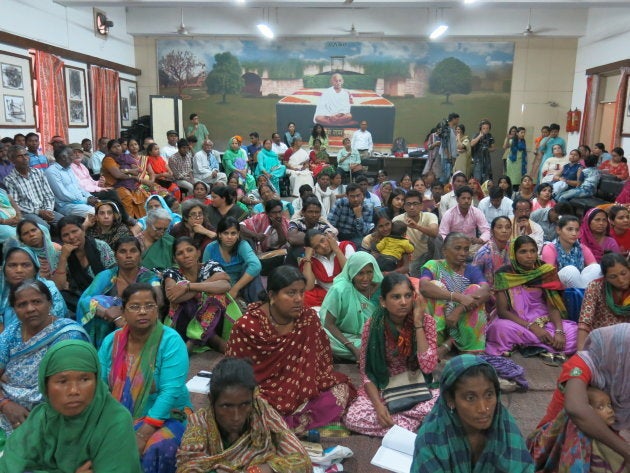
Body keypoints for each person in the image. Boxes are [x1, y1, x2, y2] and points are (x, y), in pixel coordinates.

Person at [226, 266, 355, 435]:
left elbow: (321, 362)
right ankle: (291, 426)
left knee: (340, 390)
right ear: (272, 295)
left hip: (302, 388)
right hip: (262, 391)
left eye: (301, 292)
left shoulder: (307, 319)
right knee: (247, 410)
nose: (299, 299)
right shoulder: (247, 327)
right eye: (291, 293)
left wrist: (303, 382)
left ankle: (283, 427)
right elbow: (233, 374)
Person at [0, 339, 141, 472]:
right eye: (62, 381)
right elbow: (8, 466)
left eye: (84, 379)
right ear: (46, 386)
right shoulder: (40, 420)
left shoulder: (114, 421)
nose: (74, 390)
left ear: (97, 382)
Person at [99, 283, 191, 473]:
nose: (143, 312)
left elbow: (171, 390)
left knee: (158, 447)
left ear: (157, 310)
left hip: (166, 417)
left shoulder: (170, 341)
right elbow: (99, 384)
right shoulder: (111, 342)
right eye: (135, 307)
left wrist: (143, 434)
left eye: (149, 306)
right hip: (118, 416)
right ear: (123, 311)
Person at [176, 357, 311, 473]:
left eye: (244, 405)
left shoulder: (262, 412)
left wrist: (267, 468)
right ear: (212, 400)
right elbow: (187, 467)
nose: (236, 416)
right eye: (227, 406)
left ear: (252, 399)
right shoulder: (200, 423)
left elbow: (301, 460)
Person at [344, 273, 439, 436]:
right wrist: (379, 407)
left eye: (408, 296)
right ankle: (412, 424)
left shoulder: (426, 322)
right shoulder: (372, 326)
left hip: (418, 386)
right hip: (384, 387)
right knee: (353, 418)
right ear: (383, 302)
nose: (403, 302)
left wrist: (417, 324)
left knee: (442, 403)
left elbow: (428, 366)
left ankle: (399, 425)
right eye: (396, 297)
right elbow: (366, 373)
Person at [528, 325, 630, 471]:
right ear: (618, 351)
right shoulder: (581, 364)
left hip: (600, 442)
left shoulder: (623, 375)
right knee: (580, 421)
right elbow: (575, 409)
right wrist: (626, 451)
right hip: (550, 444)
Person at [411, 355, 534, 472]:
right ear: (450, 399)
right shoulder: (431, 439)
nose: (483, 408)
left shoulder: (506, 429)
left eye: (489, 395)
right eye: (470, 398)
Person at [0, 280, 88, 436]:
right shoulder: (11, 332)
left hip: (52, 417)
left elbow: (69, 387)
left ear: (50, 303)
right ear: (14, 309)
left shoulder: (69, 335)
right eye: (22, 304)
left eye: (36, 302)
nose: (30, 309)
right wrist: (5, 404)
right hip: (6, 410)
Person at [486, 236, 578, 361]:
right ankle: (543, 345)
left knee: (575, 332)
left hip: (544, 320)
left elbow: (553, 306)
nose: (529, 256)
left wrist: (559, 331)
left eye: (533, 251)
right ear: (514, 254)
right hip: (516, 321)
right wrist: (532, 327)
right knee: (498, 329)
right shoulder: (504, 274)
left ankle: (529, 344)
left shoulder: (545, 271)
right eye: (523, 251)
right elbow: (502, 312)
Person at [76, 237, 161, 348]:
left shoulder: (149, 277)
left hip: (139, 323)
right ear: (115, 256)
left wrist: (124, 314)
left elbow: (158, 300)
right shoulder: (106, 276)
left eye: (133, 251)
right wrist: (106, 311)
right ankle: (103, 352)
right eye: (122, 251)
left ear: (140, 254)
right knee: (101, 302)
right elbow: (84, 300)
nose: (128, 256)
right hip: (107, 326)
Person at [419, 233, 490, 354]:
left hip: (459, 321)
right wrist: (456, 296)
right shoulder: (434, 265)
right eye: (457, 248)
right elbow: (424, 286)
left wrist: (459, 309)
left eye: (466, 249)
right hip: (437, 322)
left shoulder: (471, 270)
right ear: (445, 251)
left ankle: (467, 347)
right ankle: (439, 341)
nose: (463, 253)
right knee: (435, 286)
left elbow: (485, 290)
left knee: (475, 289)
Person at [163, 237, 231, 352]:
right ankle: (211, 339)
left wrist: (188, 287)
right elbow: (173, 296)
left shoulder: (210, 266)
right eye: (180, 253)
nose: (186, 255)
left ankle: (194, 339)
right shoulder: (172, 273)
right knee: (191, 301)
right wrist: (208, 284)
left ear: (198, 252)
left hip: (213, 321)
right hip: (183, 324)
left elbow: (225, 285)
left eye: (190, 250)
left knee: (217, 296)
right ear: (175, 259)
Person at [320, 252, 383, 361]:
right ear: (352, 272)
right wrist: (352, 347)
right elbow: (329, 324)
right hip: (341, 336)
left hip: (369, 336)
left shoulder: (380, 287)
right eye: (360, 273)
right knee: (321, 336)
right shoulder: (340, 290)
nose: (365, 278)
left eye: (369, 272)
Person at [52, 215, 116, 315]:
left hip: (106, 293)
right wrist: (64, 258)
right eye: (65, 235)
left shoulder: (100, 246)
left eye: (74, 231)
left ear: (83, 229)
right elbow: (58, 287)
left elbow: (113, 274)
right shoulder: (61, 255)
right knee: (62, 295)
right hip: (81, 298)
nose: (71, 237)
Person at [202, 216, 263, 305]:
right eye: (225, 233)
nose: (229, 237)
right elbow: (204, 272)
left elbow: (256, 265)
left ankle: (258, 306)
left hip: (242, 286)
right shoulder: (211, 248)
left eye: (233, 233)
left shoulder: (242, 245)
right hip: (219, 287)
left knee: (251, 269)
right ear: (219, 234)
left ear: (238, 234)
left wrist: (235, 289)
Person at [577, 253, 630, 349]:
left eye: (623, 273)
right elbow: (585, 321)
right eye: (613, 277)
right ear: (605, 278)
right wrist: (580, 353)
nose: (621, 280)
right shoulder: (595, 287)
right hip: (600, 340)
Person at [5, 145, 62, 229]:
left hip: (45, 209)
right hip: (27, 213)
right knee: (43, 226)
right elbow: (16, 205)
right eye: (20, 156)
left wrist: (48, 210)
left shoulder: (38, 172)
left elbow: (49, 195)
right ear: (12, 160)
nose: (25, 158)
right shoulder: (10, 180)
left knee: (65, 221)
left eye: (26, 155)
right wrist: (39, 212)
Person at [541, 215, 602, 289]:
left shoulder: (581, 248)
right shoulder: (550, 248)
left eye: (577, 230)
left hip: (579, 282)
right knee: (571, 270)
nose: (574, 233)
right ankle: (583, 296)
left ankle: (582, 295)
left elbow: (593, 268)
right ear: (558, 230)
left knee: (597, 268)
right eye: (570, 229)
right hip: (558, 283)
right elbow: (549, 276)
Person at [301, 229, 354, 307]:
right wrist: (308, 258)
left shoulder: (345, 247)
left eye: (323, 240)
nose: (323, 246)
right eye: (317, 247)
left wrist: (337, 250)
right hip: (329, 297)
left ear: (327, 236)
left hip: (350, 291)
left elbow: (352, 275)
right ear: (313, 250)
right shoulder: (313, 259)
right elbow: (308, 286)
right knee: (305, 296)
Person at [100, 140, 150, 219]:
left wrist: (126, 171)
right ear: (109, 150)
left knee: (144, 195)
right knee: (127, 197)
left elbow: (137, 171)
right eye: (114, 147)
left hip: (129, 184)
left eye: (118, 146)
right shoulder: (108, 159)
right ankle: (129, 221)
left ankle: (142, 221)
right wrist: (131, 174)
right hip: (114, 186)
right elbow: (118, 175)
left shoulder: (125, 157)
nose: (117, 148)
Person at [393, 190, 439, 274]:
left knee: (438, 238)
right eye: (408, 204)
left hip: (427, 257)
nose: (411, 207)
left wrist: (417, 227)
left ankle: (438, 267)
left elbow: (434, 232)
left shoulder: (430, 216)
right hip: (408, 260)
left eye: (415, 204)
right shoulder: (397, 220)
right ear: (404, 206)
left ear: (421, 206)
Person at [439, 186, 491, 255]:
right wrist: (452, 243)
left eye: (469, 198)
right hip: (454, 246)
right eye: (463, 198)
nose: (466, 201)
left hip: (472, 247)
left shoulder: (476, 212)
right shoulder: (449, 214)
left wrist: (480, 240)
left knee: (489, 246)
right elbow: (442, 233)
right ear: (457, 199)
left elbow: (487, 230)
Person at [472, 215, 512, 287]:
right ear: (492, 231)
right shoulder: (484, 253)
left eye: (508, 227)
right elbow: (474, 277)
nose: (504, 230)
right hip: (488, 292)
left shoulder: (513, 248)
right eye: (500, 227)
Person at [138, 208, 176, 273]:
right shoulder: (136, 242)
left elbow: (177, 263)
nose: (162, 232)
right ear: (148, 223)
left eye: (165, 229)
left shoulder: (169, 241)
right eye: (158, 228)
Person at [470, 119, 496, 183]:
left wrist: (487, 149)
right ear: (480, 128)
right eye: (484, 128)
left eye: (487, 128)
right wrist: (479, 136)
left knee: (486, 179)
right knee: (477, 178)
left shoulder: (490, 136)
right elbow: (472, 144)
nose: (485, 130)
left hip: (486, 160)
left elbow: (493, 148)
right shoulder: (477, 135)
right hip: (478, 160)